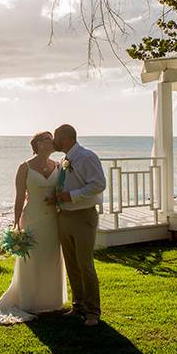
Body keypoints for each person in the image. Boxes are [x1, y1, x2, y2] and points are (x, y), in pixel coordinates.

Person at [0, 131, 67, 325]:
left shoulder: (58, 165)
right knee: (31, 259)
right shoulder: (24, 168)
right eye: (48, 139)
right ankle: (29, 300)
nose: (52, 142)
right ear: (39, 144)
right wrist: (16, 224)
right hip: (32, 217)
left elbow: (61, 190)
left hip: (52, 220)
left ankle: (51, 300)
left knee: (51, 257)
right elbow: (19, 197)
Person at [50, 124, 106, 327]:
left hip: (83, 217)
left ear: (65, 137)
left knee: (85, 265)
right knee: (72, 264)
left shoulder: (86, 156)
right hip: (64, 216)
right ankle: (78, 306)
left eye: (55, 137)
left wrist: (71, 196)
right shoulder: (64, 160)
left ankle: (93, 312)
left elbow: (99, 184)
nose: (53, 141)